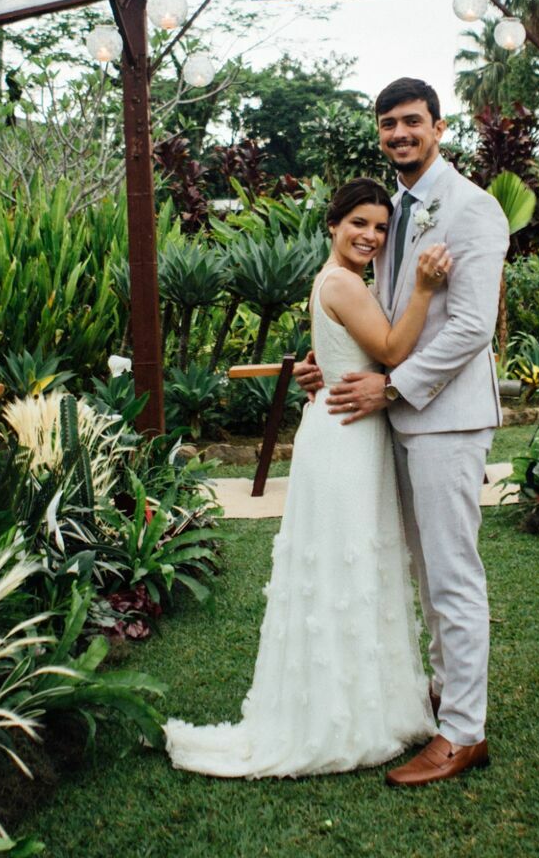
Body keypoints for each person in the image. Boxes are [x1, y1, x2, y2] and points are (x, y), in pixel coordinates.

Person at [163, 176, 454, 778]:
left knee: (350, 566)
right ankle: (340, 716)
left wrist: (321, 365)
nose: (371, 236)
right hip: (346, 438)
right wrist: (426, 289)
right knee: (346, 565)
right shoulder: (343, 282)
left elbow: (347, 351)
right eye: (359, 224)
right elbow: (394, 351)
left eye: (381, 227)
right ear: (333, 224)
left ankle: (359, 704)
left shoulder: (335, 279)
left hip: (343, 429)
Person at [299, 76, 510, 787]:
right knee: (423, 569)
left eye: (412, 121)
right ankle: (446, 693)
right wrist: (333, 365)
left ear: (439, 128)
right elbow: (383, 316)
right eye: (388, 123)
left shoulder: (473, 209)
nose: (400, 134)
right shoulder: (393, 212)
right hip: (391, 417)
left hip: (447, 418)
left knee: (452, 573)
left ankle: (465, 733)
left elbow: (472, 327)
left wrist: (392, 386)